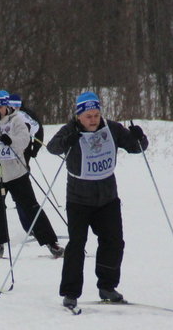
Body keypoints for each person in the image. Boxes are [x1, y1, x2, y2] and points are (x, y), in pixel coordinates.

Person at [46, 91, 148, 310]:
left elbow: (136, 148)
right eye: (88, 116)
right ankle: (71, 293)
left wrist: (140, 137)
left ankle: (107, 287)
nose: (93, 120)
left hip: (107, 197)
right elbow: (52, 148)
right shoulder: (70, 129)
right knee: (77, 245)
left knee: (114, 242)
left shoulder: (112, 128)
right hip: (78, 199)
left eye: (96, 114)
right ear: (79, 116)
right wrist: (68, 140)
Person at [0, 89, 64, 259]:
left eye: (1, 106)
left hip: (16, 173)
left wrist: (11, 141)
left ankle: (51, 242)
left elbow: (24, 140)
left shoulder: (16, 119)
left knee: (30, 206)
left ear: (6, 106)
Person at [7, 92, 48, 233]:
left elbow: (39, 131)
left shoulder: (27, 114)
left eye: (17, 105)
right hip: (3, 158)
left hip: (23, 155)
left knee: (22, 193)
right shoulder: (3, 114)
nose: (15, 108)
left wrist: (34, 150)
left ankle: (30, 226)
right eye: (12, 105)